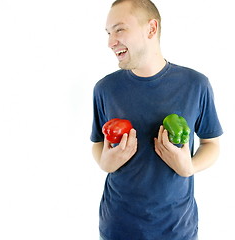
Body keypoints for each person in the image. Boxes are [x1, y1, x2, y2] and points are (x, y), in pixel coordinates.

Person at [90, 0, 223, 239]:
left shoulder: (196, 84)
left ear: (151, 29)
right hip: (117, 227)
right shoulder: (105, 88)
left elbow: (211, 144)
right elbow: (98, 143)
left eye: (119, 29)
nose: (110, 42)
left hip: (176, 229)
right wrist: (104, 163)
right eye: (109, 33)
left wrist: (189, 167)